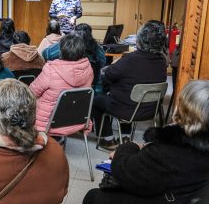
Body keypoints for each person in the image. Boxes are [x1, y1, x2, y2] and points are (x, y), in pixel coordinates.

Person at [83, 80, 209, 204]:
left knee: (93, 196)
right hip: (148, 109)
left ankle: (107, 138)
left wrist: (130, 146)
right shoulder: (192, 148)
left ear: (185, 111)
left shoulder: (167, 152)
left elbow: (125, 172)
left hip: (163, 197)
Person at [93, 21, 167, 150]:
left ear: (141, 39)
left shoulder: (131, 59)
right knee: (126, 91)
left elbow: (107, 76)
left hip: (127, 109)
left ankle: (107, 140)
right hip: (150, 109)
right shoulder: (162, 60)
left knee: (97, 101)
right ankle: (126, 137)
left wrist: (115, 64)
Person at [30, 34, 93, 136]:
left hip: (48, 122)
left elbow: (31, 92)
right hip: (76, 119)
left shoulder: (51, 69)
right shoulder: (88, 69)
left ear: (61, 50)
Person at [73, 23, 106, 93]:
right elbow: (103, 63)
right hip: (95, 89)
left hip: (74, 89)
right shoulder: (98, 48)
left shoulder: (71, 48)